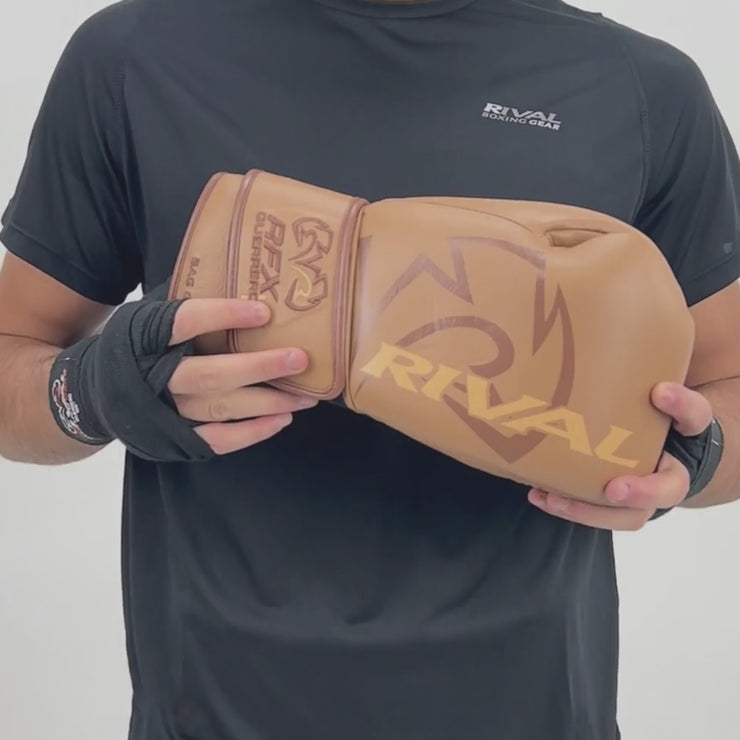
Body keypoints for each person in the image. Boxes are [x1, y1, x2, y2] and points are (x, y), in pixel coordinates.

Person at [1, 0, 739, 738]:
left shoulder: (638, 88)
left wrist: (692, 457)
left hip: (535, 713)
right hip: (209, 716)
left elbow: (728, 388)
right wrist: (91, 392)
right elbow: (14, 357)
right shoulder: (135, 57)